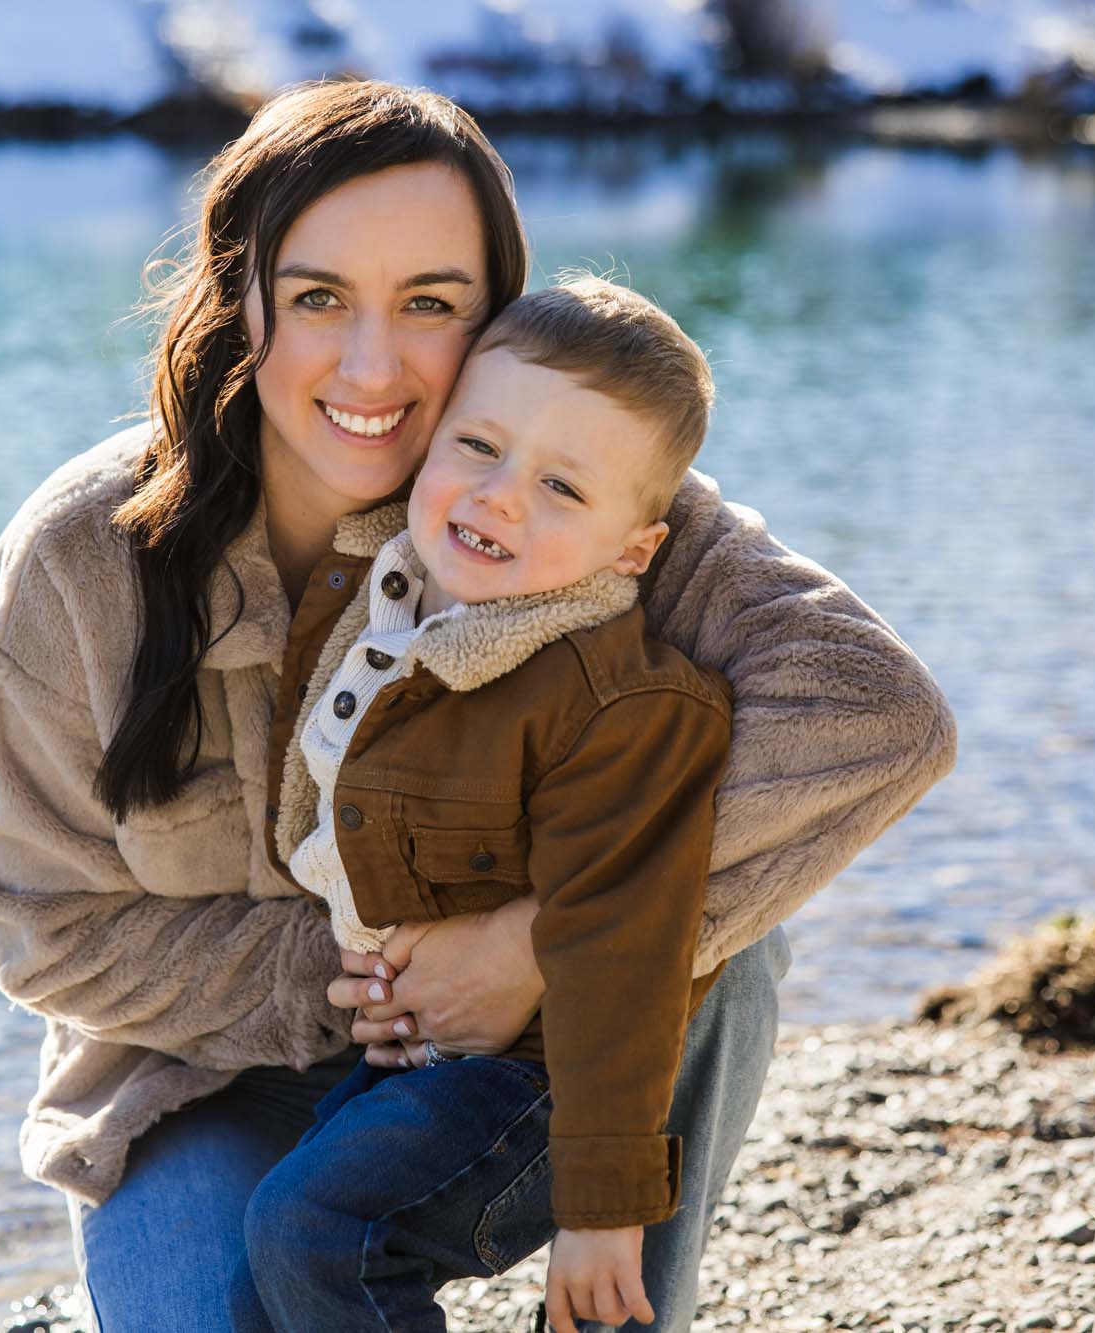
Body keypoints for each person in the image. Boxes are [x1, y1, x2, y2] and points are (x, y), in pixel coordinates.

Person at [0, 80, 955, 1332]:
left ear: (497, 315)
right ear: (238, 297)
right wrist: (374, 978)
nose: (372, 366)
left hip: (529, 1053)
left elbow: (875, 714)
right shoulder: (76, 563)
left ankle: (625, 1308)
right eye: (317, 298)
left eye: (429, 304)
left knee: (724, 938)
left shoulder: (562, 491)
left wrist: (538, 942)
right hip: (195, 1079)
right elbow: (46, 928)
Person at [231, 275, 744, 1333]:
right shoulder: (389, 598)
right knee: (273, 1262)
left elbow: (621, 950)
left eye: (561, 487)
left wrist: (602, 1207)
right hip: (422, 1055)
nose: (501, 495)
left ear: (632, 549)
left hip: (549, 1079)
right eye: (477, 445)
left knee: (320, 1232)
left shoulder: (616, 702)